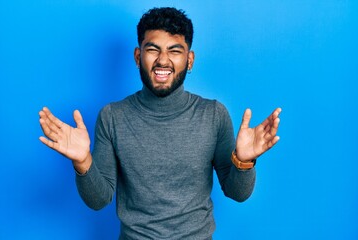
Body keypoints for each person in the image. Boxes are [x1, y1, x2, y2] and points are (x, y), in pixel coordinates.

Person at [39, 7, 281, 240]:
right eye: (153, 49)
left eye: (175, 51)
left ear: (190, 60)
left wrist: (245, 161)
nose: (163, 60)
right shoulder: (112, 117)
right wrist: (83, 162)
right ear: (138, 56)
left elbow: (237, 192)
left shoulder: (213, 115)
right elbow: (99, 200)